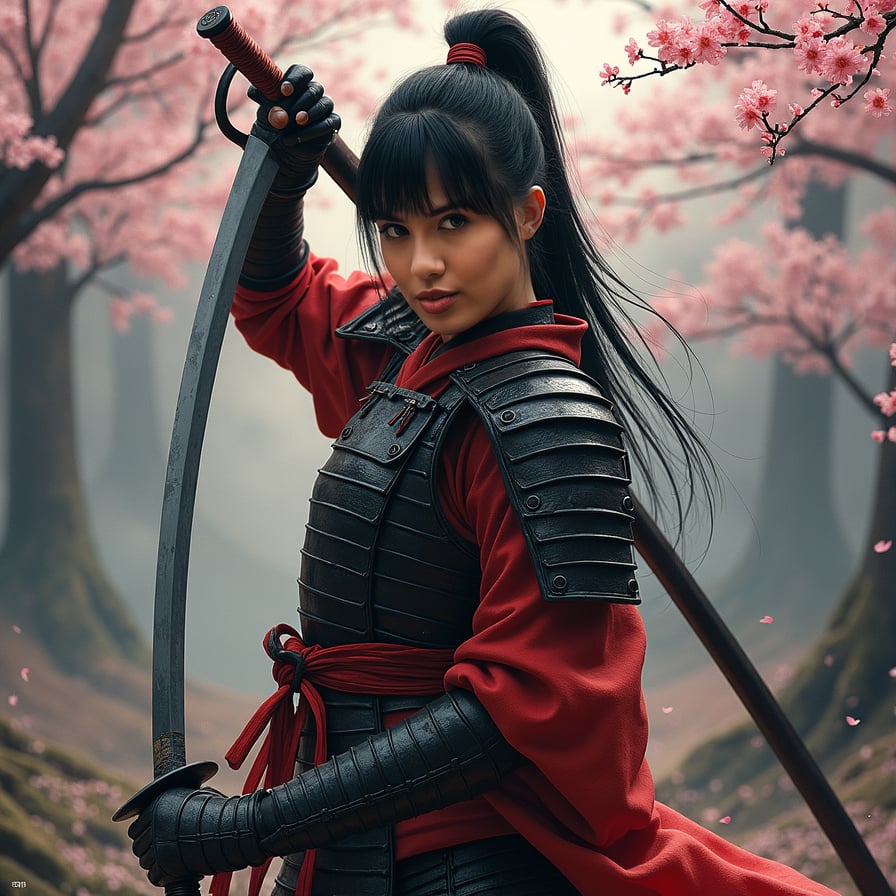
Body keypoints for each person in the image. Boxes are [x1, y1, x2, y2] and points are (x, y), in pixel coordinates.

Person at [127, 9, 842, 896]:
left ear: (527, 212)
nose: (422, 266)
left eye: (453, 223)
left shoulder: (548, 427)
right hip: (346, 852)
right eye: (395, 230)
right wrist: (287, 178)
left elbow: (516, 713)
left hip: (472, 859)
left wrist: (247, 825)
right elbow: (276, 298)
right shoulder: (408, 352)